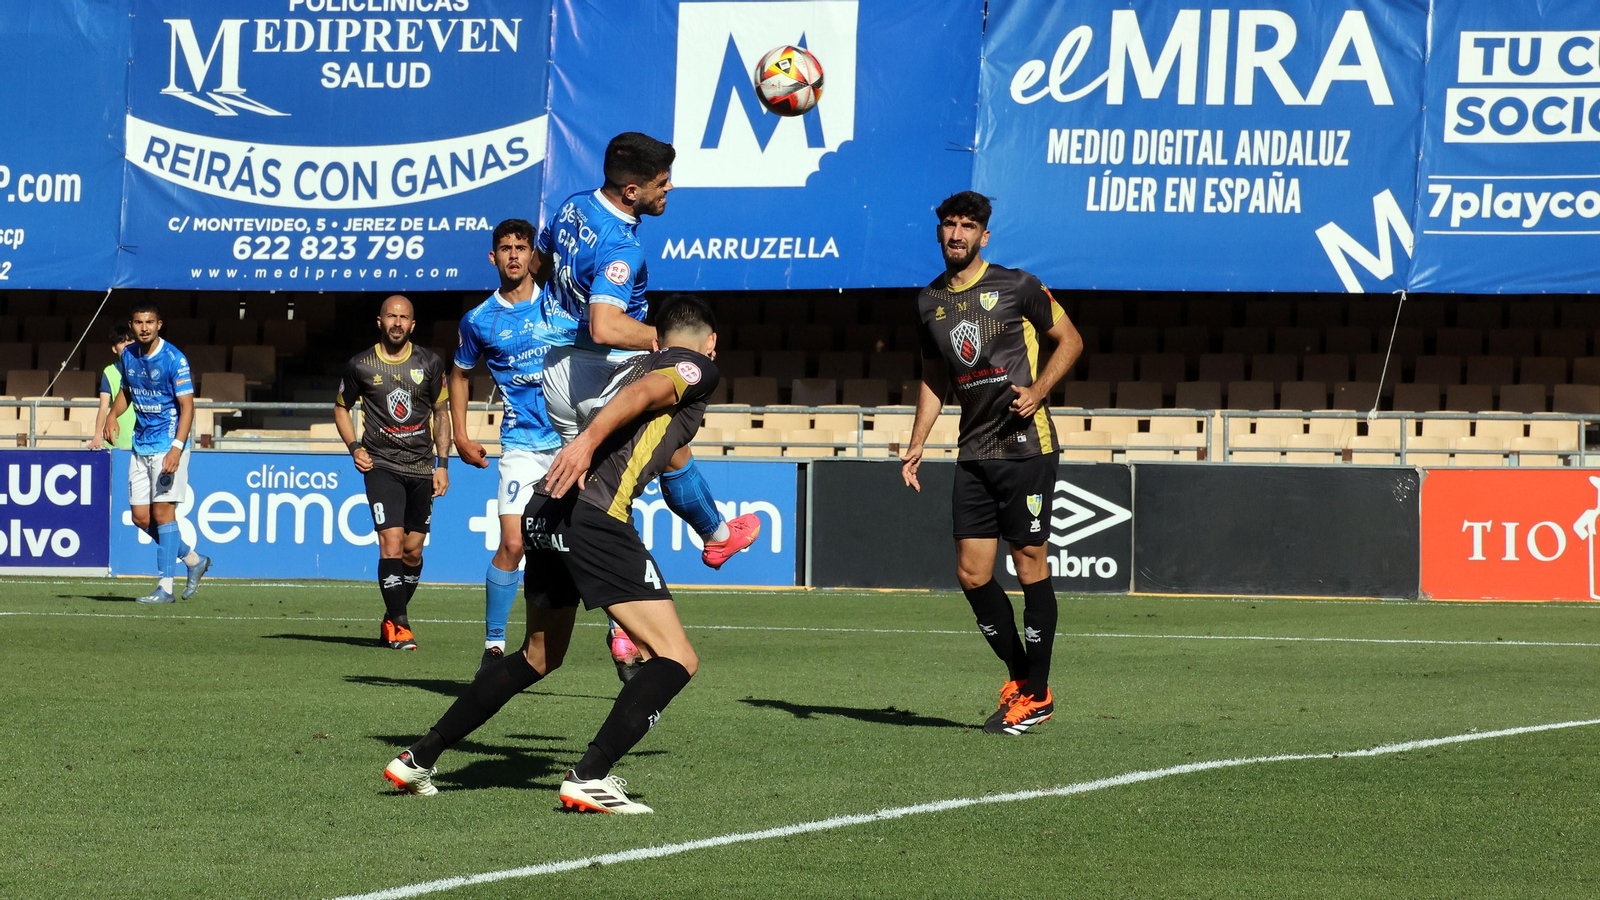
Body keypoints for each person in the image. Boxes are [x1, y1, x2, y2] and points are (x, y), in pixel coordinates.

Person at [384, 295, 722, 814]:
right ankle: (590, 775)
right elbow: (654, 391)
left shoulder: (636, 362)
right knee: (677, 656)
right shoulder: (694, 366)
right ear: (709, 343)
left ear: (654, 336)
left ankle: (419, 757)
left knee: (539, 656)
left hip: (546, 506)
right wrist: (586, 442)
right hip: (594, 515)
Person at [537, 131, 760, 679]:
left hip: (556, 368)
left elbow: (544, 264)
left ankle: (701, 550)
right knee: (645, 459)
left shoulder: (571, 206)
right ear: (633, 190)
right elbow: (605, 323)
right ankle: (704, 546)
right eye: (663, 183)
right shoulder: (622, 244)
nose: (671, 189)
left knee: (612, 484)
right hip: (597, 367)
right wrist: (661, 341)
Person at [900, 191, 1083, 735]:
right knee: (972, 573)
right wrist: (917, 441)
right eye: (950, 225)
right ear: (940, 233)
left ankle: (1035, 693)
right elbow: (935, 375)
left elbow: (1070, 340)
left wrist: (1040, 389)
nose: (957, 234)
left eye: (968, 226)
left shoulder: (1018, 285)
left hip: (1026, 446)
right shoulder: (927, 301)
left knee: (1029, 563)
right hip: (973, 449)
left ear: (985, 235)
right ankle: (1025, 683)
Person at [453, 219, 575, 675]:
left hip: (571, 442)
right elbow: (460, 374)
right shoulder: (479, 320)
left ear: (532, 256)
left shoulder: (563, 306)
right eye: (504, 248)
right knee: (513, 541)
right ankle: (493, 646)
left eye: (521, 247)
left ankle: (621, 635)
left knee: (588, 541)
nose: (513, 255)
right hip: (522, 443)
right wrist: (461, 435)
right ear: (493, 256)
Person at [334, 295, 451, 650]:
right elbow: (341, 409)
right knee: (392, 543)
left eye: (404, 317)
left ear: (413, 325)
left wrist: (443, 464)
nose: (397, 322)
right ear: (380, 321)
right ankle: (400, 626)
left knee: (413, 551)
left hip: (422, 467)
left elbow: (441, 413)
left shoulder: (429, 363)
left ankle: (391, 615)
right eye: (391, 316)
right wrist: (355, 447)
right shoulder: (360, 365)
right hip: (381, 465)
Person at [105, 302, 213, 603]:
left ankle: (165, 587)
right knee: (141, 518)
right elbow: (126, 391)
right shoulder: (128, 355)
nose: (144, 328)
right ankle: (193, 560)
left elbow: (188, 406)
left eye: (149, 322)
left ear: (159, 324)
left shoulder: (174, 359)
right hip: (141, 444)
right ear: (132, 325)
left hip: (168, 445)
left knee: (163, 514)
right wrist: (112, 415)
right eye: (138, 323)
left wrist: (177, 448)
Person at [87, 323, 136, 451]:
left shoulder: (146, 368)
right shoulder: (109, 372)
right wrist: (97, 435)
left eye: (130, 340)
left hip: (141, 441)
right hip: (116, 441)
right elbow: (103, 407)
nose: (126, 345)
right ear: (114, 348)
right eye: (121, 342)